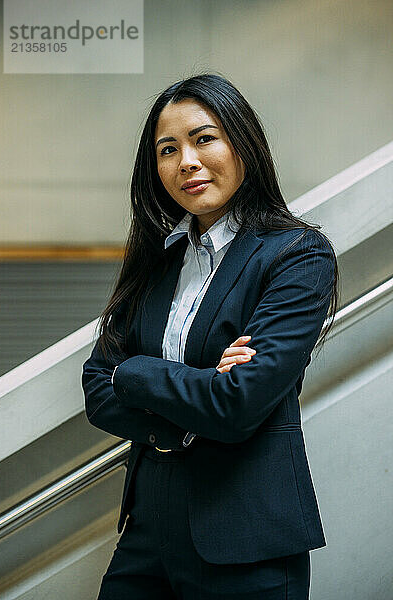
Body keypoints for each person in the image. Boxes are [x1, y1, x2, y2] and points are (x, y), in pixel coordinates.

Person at [82, 72, 339, 599]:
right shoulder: (156, 262)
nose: (187, 162)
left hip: (246, 536)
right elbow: (96, 388)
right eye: (168, 149)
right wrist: (183, 407)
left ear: (242, 142)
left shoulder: (296, 256)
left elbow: (236, 404)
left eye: (204, 138)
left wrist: (133, 371)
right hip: (148, 528)